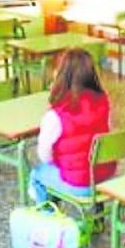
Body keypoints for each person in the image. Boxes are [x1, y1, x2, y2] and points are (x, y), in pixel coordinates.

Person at [30, 47, 114, 202]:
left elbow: (44, 155)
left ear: (59, 76)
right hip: (105, 177)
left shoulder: (55, 115)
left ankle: (49, 220)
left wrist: (62, 162)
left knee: (37, 176)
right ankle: (95, 221)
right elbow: (108, 133)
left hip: (79, 183)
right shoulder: (104, 102)